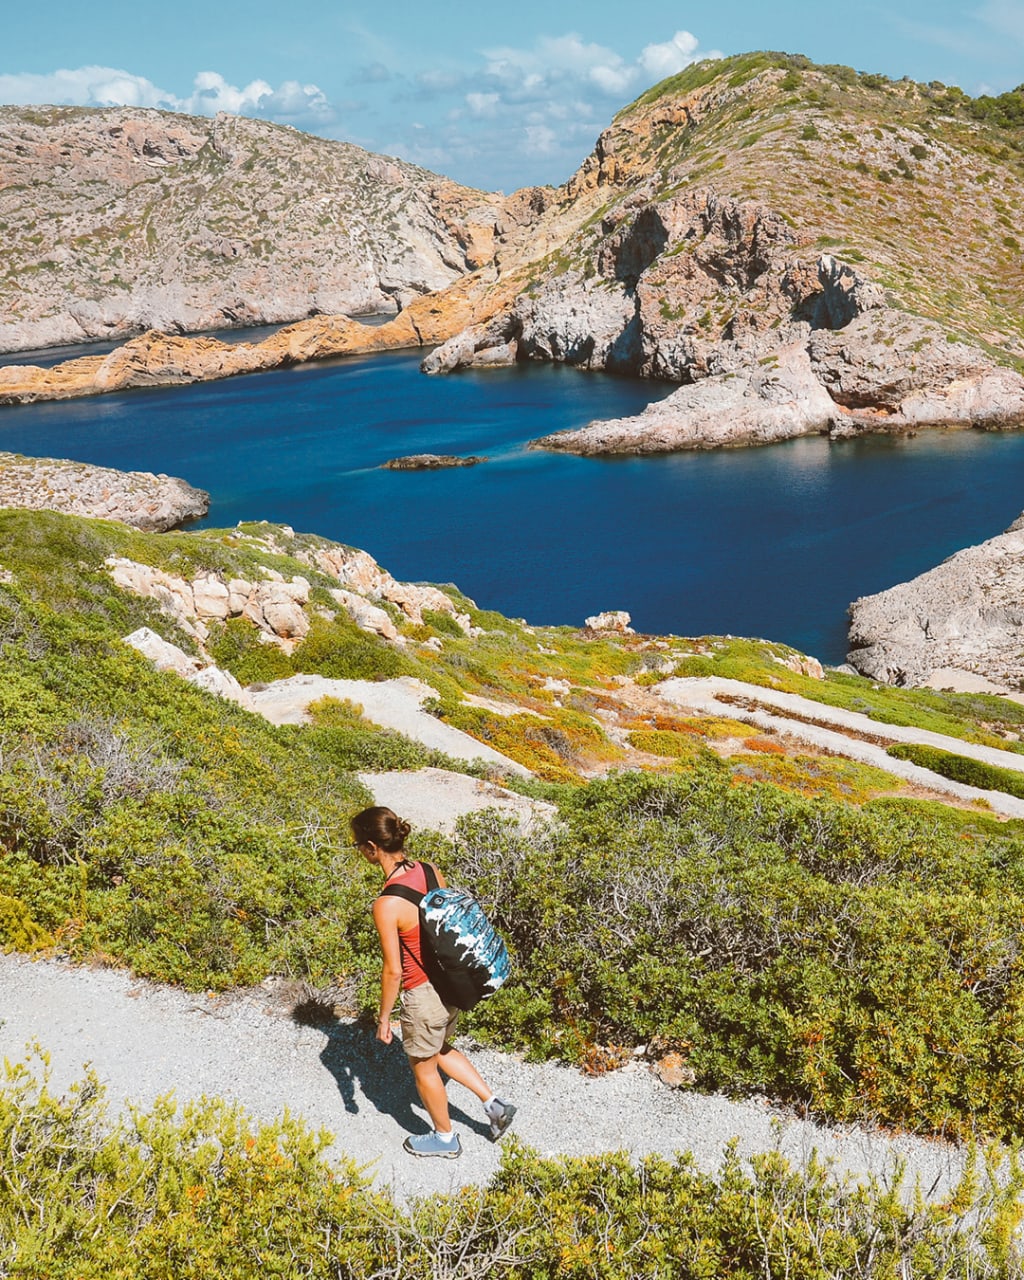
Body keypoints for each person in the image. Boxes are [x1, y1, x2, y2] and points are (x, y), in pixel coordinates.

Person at [351, 805, 517, 1159]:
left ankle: (445, 1139)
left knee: (422, 1067)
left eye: (357, 846)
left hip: (423, 994)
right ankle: (494, 1105)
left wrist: (384, 1018)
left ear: (370, 847)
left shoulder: (386, 903)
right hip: (450, 983)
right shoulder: (429, 870)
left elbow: (393, 969)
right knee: (440, 1048)